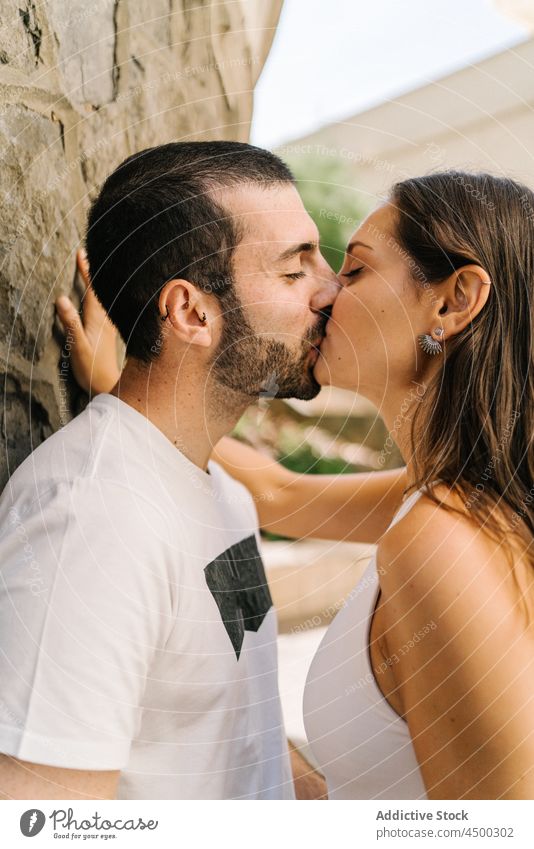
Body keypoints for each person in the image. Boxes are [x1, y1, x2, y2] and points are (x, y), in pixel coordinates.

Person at [64, 170, 534, 800]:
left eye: (358, 270)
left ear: (451, 302)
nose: (327, 291)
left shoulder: (440, 541)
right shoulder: (450, 493)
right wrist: (136, 386)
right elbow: (281, 494)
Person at [0, 140, 343, 800]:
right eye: (295, 269)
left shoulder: (227, 498)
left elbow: (249, 729)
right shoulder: (92, 520)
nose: (330, 289)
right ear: (191, 312)